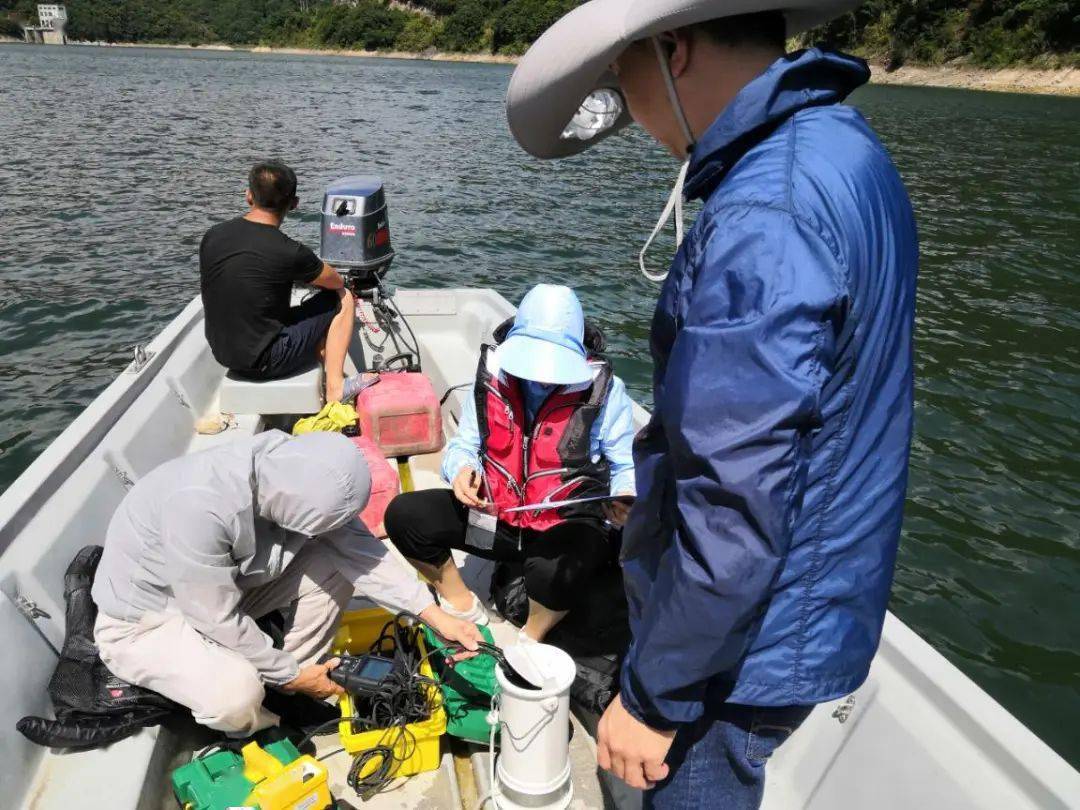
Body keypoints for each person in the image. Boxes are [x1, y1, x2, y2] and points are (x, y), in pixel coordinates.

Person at [506, 3, 918, 807]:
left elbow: (736, 500)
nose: (628, 110)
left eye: (625, 76)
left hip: (748, 644)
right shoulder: (841, 145)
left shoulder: (764, 216)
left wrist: (656, 695)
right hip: (813, 597)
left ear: (675, 50)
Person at [91, 430, 481, 736]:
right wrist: (289, 673)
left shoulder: (287, 465)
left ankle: (293, 682)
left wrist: (433, 615)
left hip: (218, 591)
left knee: (332, 559)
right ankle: (268, 722)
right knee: (236, 695)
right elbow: (215, 617)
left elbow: (357, 549)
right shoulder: (199, 508)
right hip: (149, 620)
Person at [384, 284, 637, 643]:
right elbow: (465, 444)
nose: (541, 376)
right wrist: (460, 471)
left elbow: (626, 465)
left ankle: (530, 637)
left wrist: (625, 497)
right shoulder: (494, 379)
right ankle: (464, 605)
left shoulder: (609, 393)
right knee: (405, 516)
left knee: (552, 572)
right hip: (497, 517)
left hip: (565, 525)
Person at [200, 160, 365, 404]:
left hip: (223, 353)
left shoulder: (213, 234)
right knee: (342, 298)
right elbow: (334, 281)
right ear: (294, 204)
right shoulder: (290, 252)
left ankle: (323, 354)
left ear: (248, 196)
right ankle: (336, 388)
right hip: (267, 362)